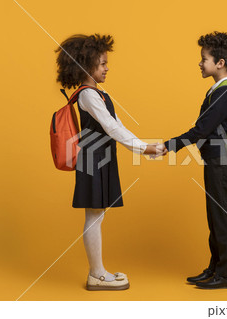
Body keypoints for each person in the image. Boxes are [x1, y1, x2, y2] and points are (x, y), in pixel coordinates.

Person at [55, 33, 167, 291]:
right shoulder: (88, 95)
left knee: (98, 214)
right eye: (103, 63)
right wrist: (143, 148)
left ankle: (98, 271)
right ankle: (96, 274)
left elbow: (118, 125)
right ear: (86, 65)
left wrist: (144, 146)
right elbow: (111, 129)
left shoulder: (98, 93)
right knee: (94, 215)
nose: (107, 67)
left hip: (101, 158)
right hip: (92, 159)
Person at [164, 31, 227, 289]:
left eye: (204, 58)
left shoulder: (226, 92)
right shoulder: (218, 91)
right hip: (214, 160)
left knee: (221, 216)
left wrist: (167, 146)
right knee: (215, 216)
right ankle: (215, 268)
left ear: (220, 63)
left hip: (220, 162)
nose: (200, 63)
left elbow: (201, 130)